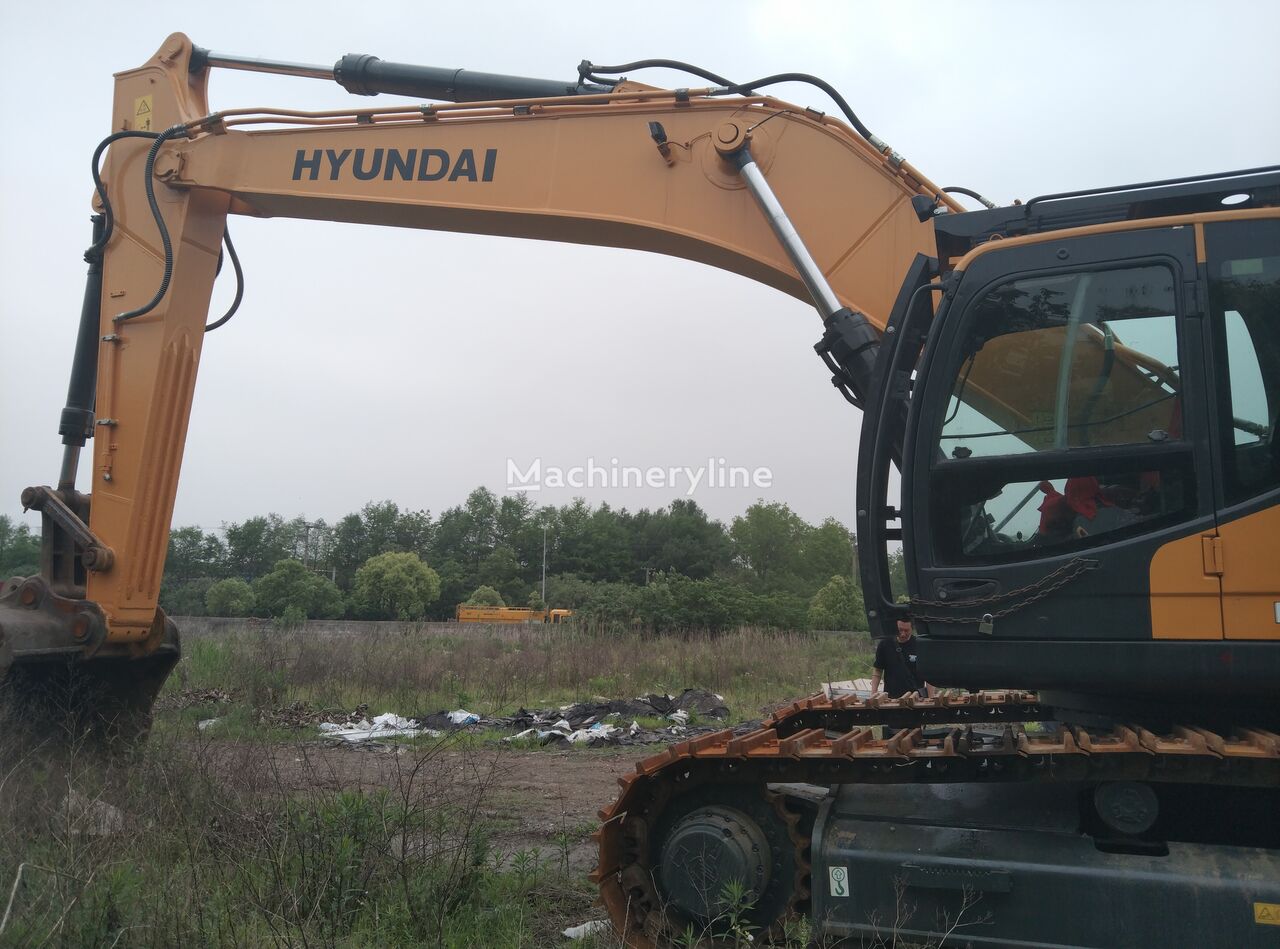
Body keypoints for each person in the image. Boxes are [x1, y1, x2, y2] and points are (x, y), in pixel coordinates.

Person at [871, 617, 936, 699]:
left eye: (906, 631)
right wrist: (873, 693)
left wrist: (931, 698)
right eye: (900, 630)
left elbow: (928, 674)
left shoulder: (920, 646)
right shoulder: (885, 644)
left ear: (912, 629)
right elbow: (877, 671)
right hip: (891, 699)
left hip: (915, 699)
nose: (903, 634)